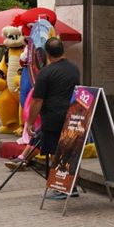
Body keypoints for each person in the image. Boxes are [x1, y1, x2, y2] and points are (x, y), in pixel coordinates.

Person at [25, 37, 80, 198]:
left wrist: (30, 122)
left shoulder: (45, 73)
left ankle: (61, 187)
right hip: (72, 115)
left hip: (53, 117)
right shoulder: (74, 68)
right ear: (63, 50)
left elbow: (37, 100)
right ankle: (72, 186)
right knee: (69, 151)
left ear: (47, 54)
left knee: (57, 152)